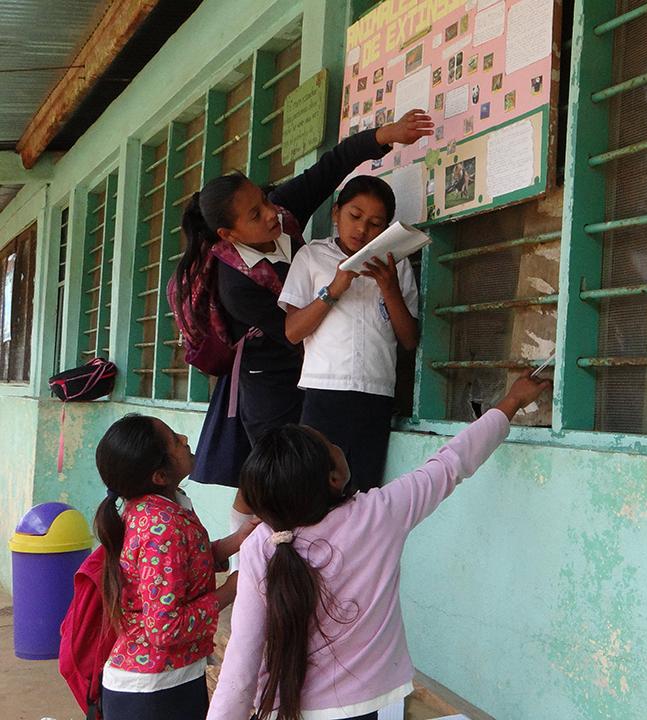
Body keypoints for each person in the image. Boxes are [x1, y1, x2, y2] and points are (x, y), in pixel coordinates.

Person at [206, 373, 551, 720]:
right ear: (334, 477)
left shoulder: (261, 545)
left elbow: (241, 664)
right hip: (359, 709)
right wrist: (511, 403)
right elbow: (450, 464)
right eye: (329, 443)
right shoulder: (378, 514)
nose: (336, 444)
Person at [173, 111, 433, 531]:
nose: (270, 214)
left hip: (328, 371)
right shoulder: (237, 283)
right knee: (277, 477)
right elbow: (291, 332)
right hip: (271, 373)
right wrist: (335, 291)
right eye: (255, 216)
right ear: (230, 235)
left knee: (332, 479)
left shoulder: (283, 211)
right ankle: (250, 555)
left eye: (263, 200)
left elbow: (333, 165)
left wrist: (388, 135)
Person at [92, 414, 258, 720]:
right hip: (154, 693)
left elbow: (179, 566)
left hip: (163, 681)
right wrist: (231, 590)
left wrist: (237, 540)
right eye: (174, 441)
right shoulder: (161, 527)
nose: (184, 439)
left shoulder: (152, 510)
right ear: (159, 476)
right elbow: (164, 628)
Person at [279, 175, 418, 491]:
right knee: (314, 488)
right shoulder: (312, 257)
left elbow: (409, 339)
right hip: (324, 391)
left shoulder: (396, 264)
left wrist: (389, 287)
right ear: (336, 212)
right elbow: (293, 331)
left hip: (376, 393)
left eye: (375, 223)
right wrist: (335, 288)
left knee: (364, 490)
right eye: (355, 216)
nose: (362, 229)